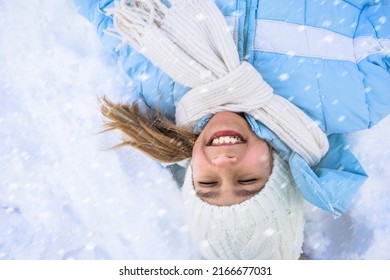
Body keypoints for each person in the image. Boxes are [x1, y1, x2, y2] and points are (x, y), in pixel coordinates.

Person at [73, 0, 390, 259]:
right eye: (247, 180)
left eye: (208, 182)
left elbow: (107, 9)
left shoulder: (158, 84)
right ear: (279, 173)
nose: (224, 163)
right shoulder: (358, 97)